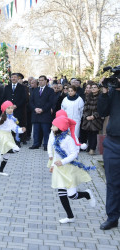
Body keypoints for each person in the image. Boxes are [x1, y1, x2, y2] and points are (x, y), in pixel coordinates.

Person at [47, 116, 96, 224]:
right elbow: (56, 153)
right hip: (59, 169)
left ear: (60, 127)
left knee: (72, 195)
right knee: (61, 192)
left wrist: (63, 161)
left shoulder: (68, 139)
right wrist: (53, 165)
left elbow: (74, 154)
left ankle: (87, 194)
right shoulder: (56, 137)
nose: (51, 127)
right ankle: (70, 216)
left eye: (53, 125)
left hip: (69, 169)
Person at [98, 79, 120, 230]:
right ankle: (112, 217)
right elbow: (102, 112)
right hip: (113, 143)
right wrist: (105, 92)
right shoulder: (112, 92)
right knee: (112, 184)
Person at [0, 101, 26, 176]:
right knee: (17, 149)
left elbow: (14, 128)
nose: (11, 109)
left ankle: (0, 171)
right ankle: (1, 152)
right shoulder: (2, 118)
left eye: (11, 108)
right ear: (4, 110)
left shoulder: (12, 118)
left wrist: (21, 130)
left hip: (9, 136)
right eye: (8, 108)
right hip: (2, 136)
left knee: (6, 157)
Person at [29, 75, 55, 151]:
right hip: (36, 114)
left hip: (45, 114)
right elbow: (31, 101)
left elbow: (50, 102)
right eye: (39, 80)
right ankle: (36, 144)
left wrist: (42, 109)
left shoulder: (50, 90)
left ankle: (46, 145)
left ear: (46, 81)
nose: (40, 82)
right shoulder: (35, 90)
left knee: (46, 131)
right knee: (36, 131)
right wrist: (35, 109)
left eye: (42, 80)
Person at [2, 73, 27, 146]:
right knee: (8, 126)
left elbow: (24, 99)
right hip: (8, 111)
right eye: (12, 77)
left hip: (18, 110)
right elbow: (4, 98)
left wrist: (16, 105)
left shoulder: (22, 87)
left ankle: (17, 141)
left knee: (17, 126)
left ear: (18, 78)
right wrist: (7, 106)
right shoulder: (7, 87)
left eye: (15, 77)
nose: (13, 79)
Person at [81, 83, 103, 155]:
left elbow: (101, 109)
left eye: (95, 87)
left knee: (94, 133)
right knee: (89, 133)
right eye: (92, 87)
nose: (93, 88)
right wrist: (86, 116)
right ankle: (89, 146)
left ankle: (92, 148)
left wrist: (94, 116)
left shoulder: (101, 97)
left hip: (96, 119)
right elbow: (85, 107)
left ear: (98, 88)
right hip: (87, 118)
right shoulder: (88, 96)